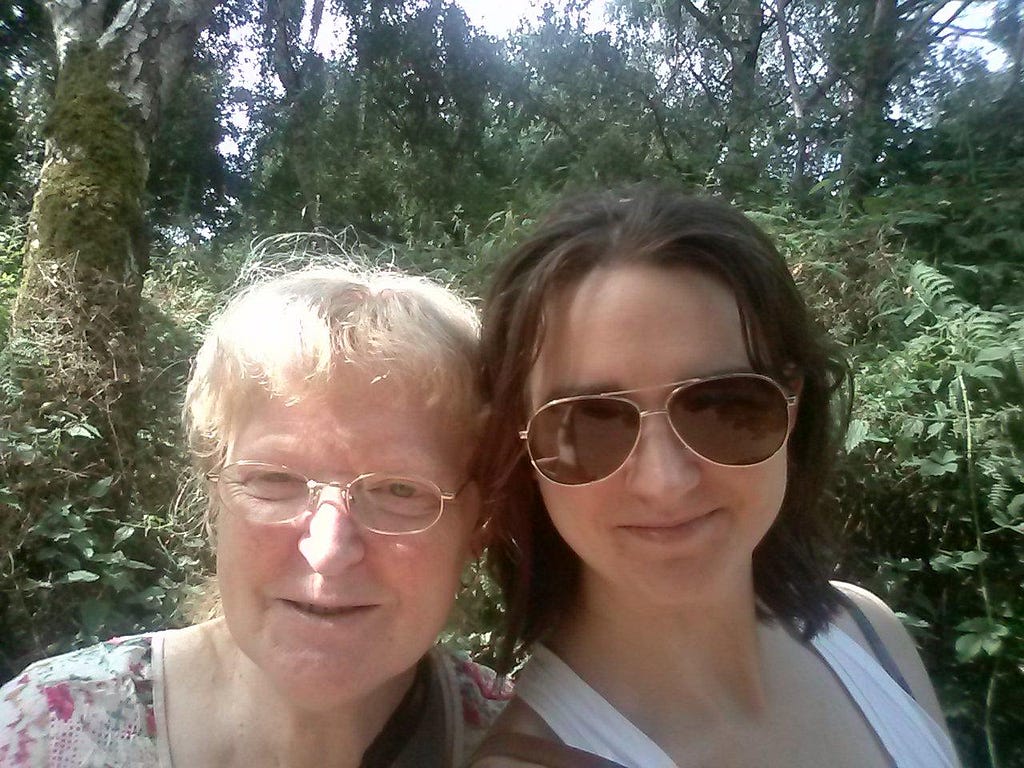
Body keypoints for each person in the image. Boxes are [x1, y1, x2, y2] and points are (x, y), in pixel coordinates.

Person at [469, 187, 960, 768]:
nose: (664, 482)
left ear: (793, 402)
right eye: (590, 422)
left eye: (725, 404)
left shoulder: (869, 634)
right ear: (522, 447)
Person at [0, 264, 509, 767]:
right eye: (275, 480)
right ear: (213, 492)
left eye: (399, 490)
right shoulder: (46, 732)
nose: (328, 552)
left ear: (478, 524)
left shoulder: (534, 744)